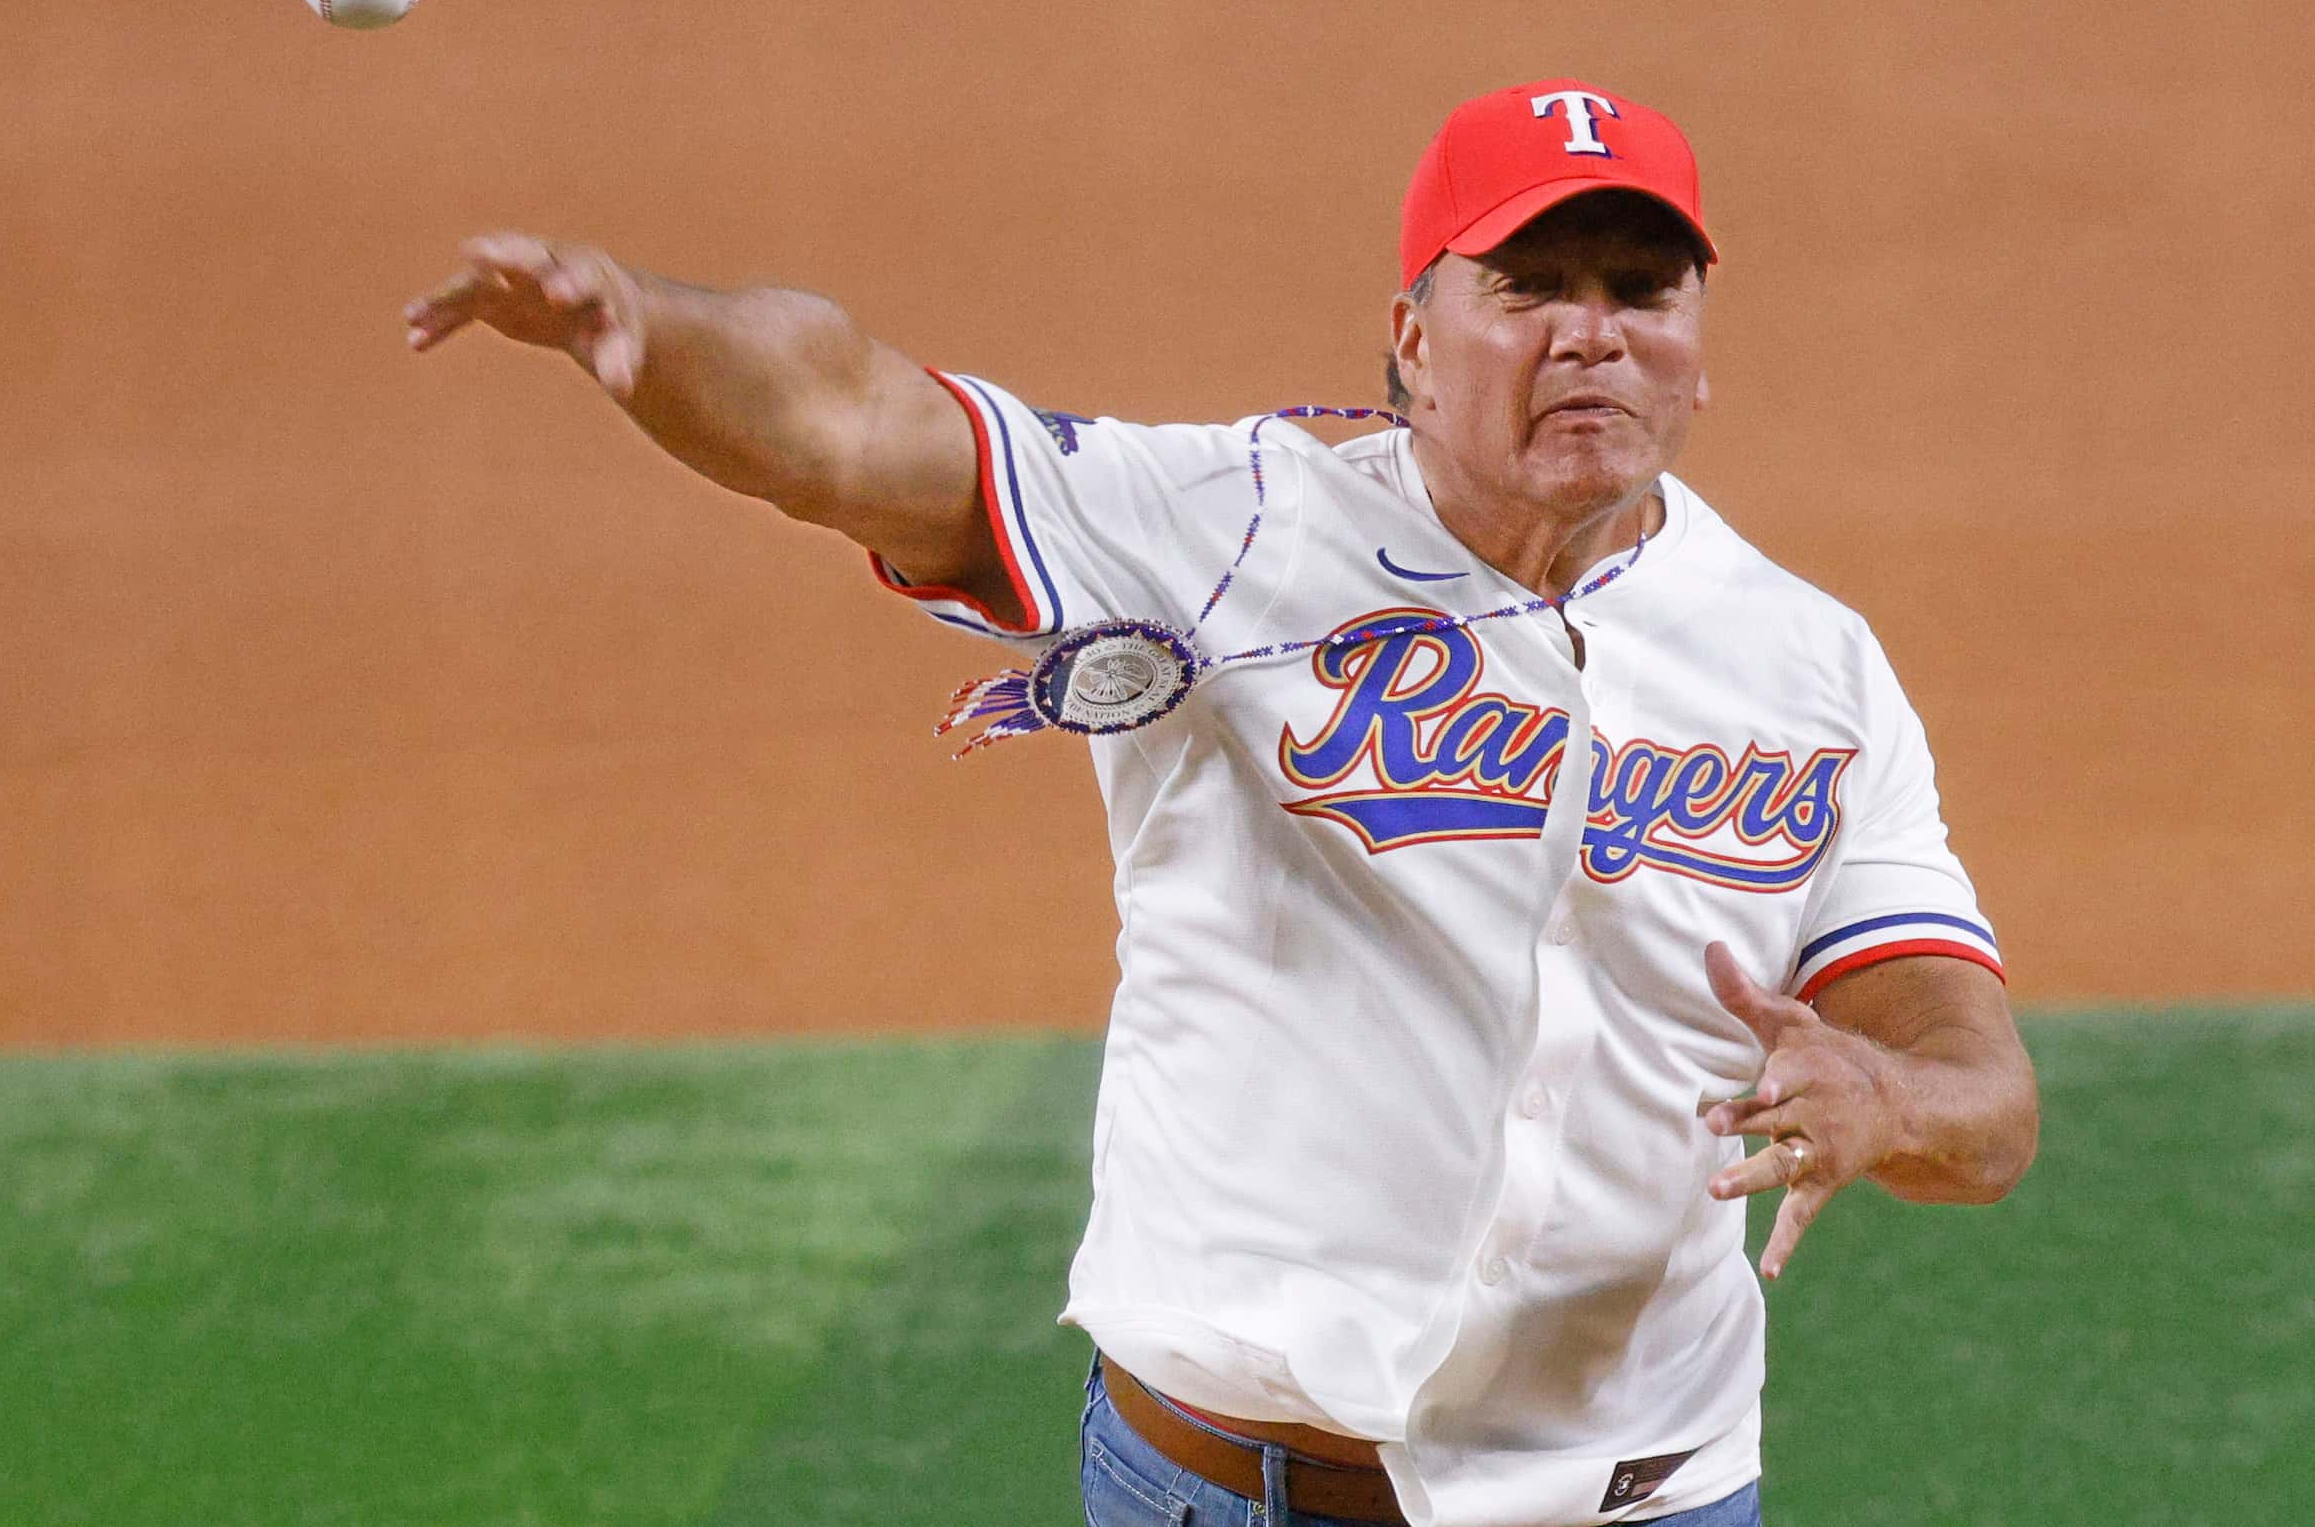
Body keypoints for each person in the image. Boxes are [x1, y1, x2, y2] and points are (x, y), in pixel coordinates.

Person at [404, 79, 2039, 1527]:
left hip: (1652, 1494)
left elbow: (1985, 1096)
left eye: (1638, 288)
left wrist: (1889, 1103)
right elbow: (853, 416)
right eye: (1525, 284)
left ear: (1695, 347)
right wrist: (649, 325)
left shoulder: (1808, 661)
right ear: (1411, 337)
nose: (1588, 331)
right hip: (1241, 1491)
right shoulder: (1223, 527)